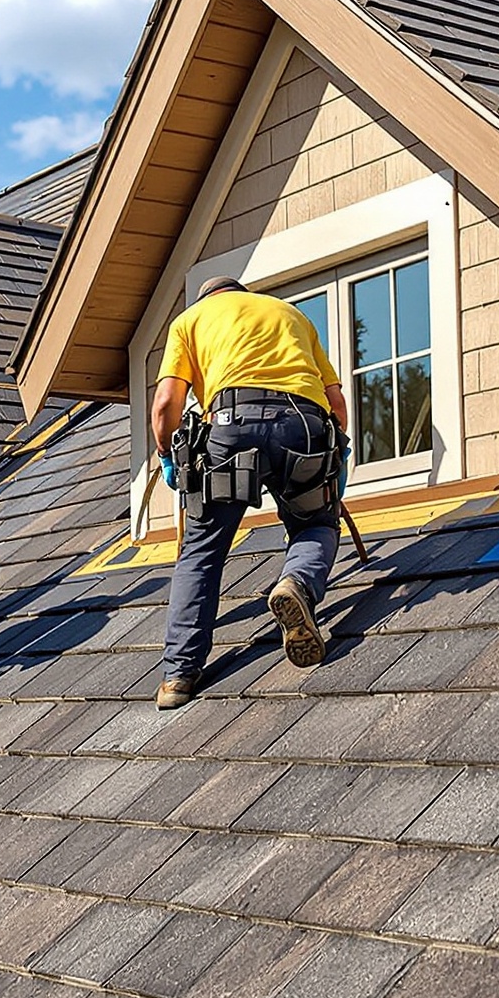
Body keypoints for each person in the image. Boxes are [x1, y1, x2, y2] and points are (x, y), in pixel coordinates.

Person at [150, 277, 348, 708]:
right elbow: (338, 406)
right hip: (306, 425)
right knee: (315, 523)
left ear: (209, 298)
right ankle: (297, 583)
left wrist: (166, 452)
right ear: (243, 294)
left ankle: (179, 675)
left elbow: (166, 403)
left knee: (202, 550)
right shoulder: (292, 315)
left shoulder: (190, 320)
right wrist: (334, 459)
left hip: (230, 427)